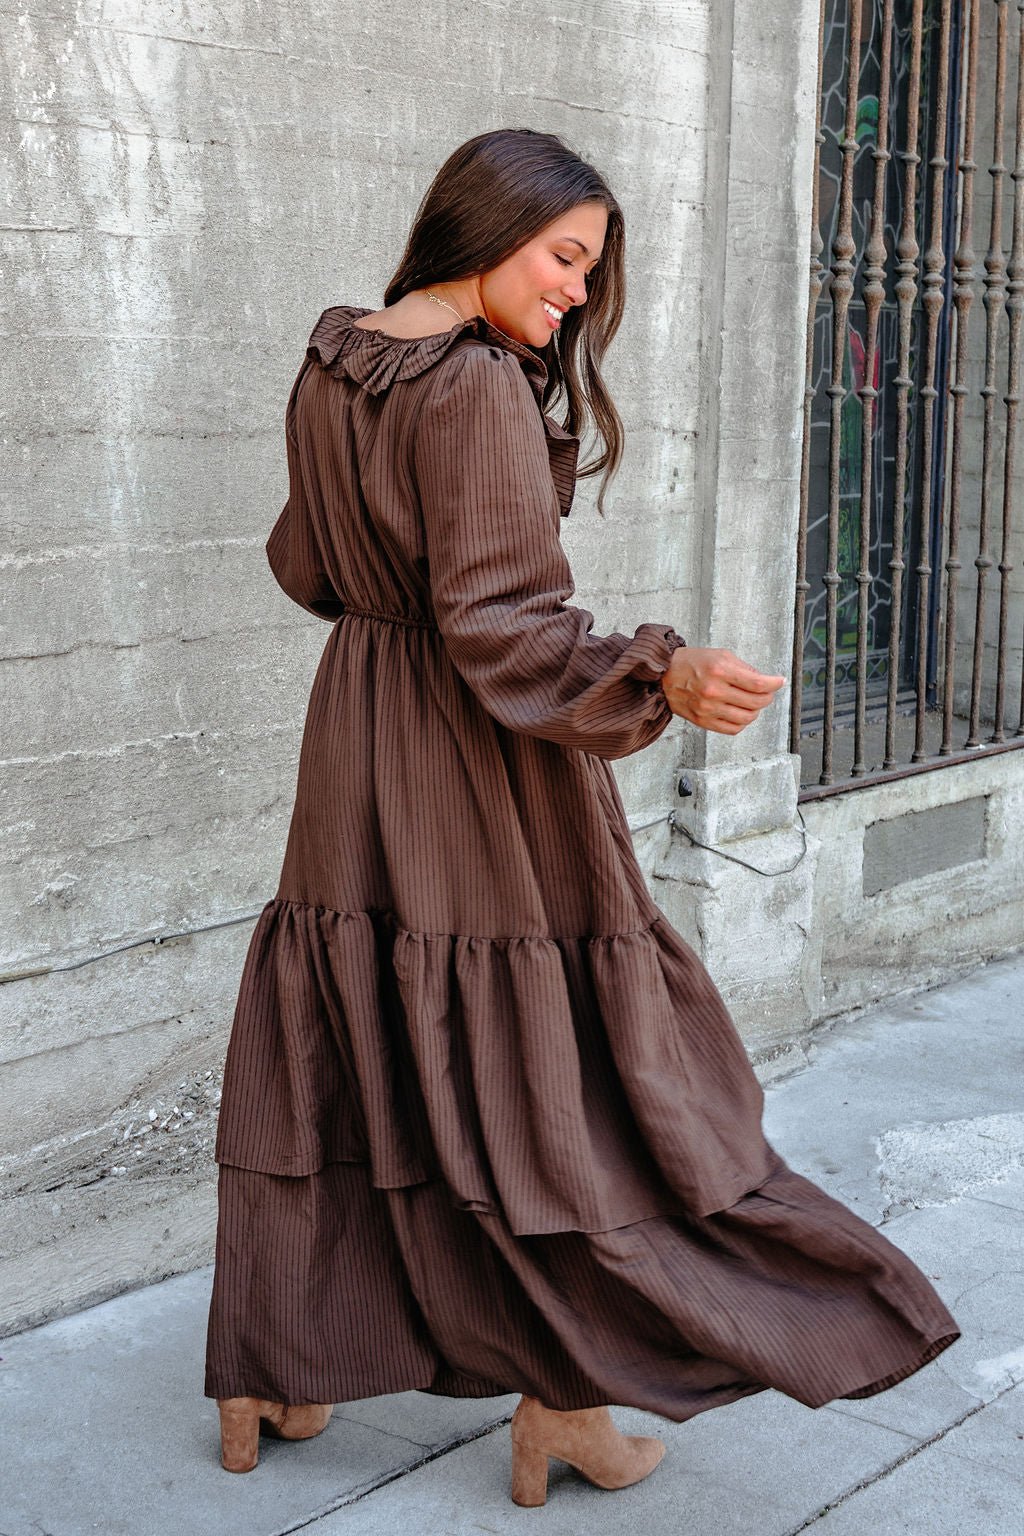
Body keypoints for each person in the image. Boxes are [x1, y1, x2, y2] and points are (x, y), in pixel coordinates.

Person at [204, 127, 958, 1505]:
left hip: (353, 739)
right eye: (566, 257)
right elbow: (502, 631)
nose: (576, 295)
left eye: (590, 273)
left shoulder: (335, 357)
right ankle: (562, 1400)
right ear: (487, 225)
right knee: (545, 1078)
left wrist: (392, 608)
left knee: (348, 1031)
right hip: (471, 766)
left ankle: (274, 1366)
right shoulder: (477, 387)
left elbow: (305, 563)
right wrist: (661, 669)